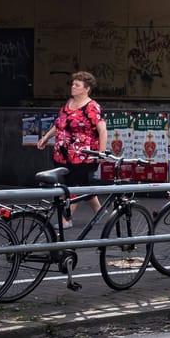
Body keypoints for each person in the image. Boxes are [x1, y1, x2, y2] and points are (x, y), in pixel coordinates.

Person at [33, 70, 108, 227]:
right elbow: (60, 123)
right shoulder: (68, 104)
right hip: (63, 154)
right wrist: (46, 137)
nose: (73, 87)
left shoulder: (92, 107)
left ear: (86, 88)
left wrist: (101, 152)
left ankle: (66, 219)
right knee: (81, 185)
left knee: (74, 186)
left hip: (84, 155)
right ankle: (100, 212)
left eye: (77, 85)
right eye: (73, 84)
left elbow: (102, 130)